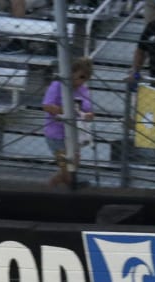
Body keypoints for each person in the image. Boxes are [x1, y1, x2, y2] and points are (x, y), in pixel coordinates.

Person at [43, 57, 95, 188]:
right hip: (57, 133)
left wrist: (88, 115)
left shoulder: (83, 89)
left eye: (85, 78)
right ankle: (50, 189)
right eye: (81, 77)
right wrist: (66, 111)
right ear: (72, 73)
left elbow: (88, 110)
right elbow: (47, 106)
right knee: (66, 169)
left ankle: (61, 187)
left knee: (73, 165)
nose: (82, 81)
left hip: (73, 133)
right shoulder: (57, 85)